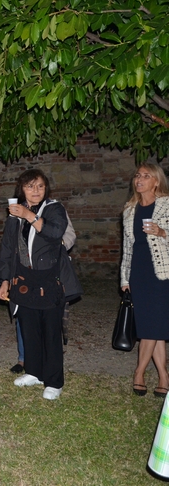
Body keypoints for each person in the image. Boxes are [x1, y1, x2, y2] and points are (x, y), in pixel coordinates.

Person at [0, 169, 68, 400]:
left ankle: (54, 381)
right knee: (29, 331)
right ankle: (34, 372)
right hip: (24, 281)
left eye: (39, 186)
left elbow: (55, 233)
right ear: (22, 189)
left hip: (48, 280)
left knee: (50, 332)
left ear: (46, 188)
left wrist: (30, 216)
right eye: (30, 186)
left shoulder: (54, 209)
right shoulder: (14, 214)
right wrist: (5, 280)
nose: (35, 191)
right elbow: (7, 250)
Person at [121, 163, 169, 398]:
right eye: (137, 175)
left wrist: (163, 233)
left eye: (146, 176)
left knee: (151, 325)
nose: (139, 179)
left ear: (156, 181)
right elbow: (127, 248)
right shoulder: (130, 209)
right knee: (154, 326)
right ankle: (164, 375)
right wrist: (124, 277)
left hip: (162, 273)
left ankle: (139, 372)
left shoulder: (167, 205)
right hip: (139, 271)